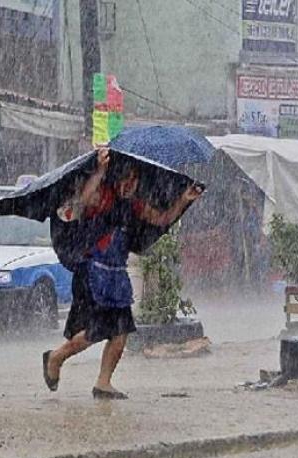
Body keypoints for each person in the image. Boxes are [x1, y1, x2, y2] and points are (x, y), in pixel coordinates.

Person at [42, 148, 203, 399]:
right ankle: (56, 357)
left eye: (135, 180)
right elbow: (83, 202)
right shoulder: (101, 196)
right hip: (92, 274)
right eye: (126, 179)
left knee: (121, 331)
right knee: (95, 331)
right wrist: (100, 171)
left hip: (116, 276)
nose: (130, 185)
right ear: (117, 178)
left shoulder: (135, 205)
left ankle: (103, 383)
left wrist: (184, 200)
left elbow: (161, 219)